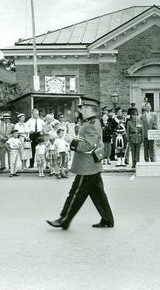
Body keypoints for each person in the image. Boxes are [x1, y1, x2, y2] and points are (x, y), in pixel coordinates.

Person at [47, 97, 114, 230]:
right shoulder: (91, 122)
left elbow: (87, 146)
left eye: (82, 108)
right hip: (92, 166)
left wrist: (66, 139)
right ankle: (107, 219)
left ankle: (64, 220)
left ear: (89, 109)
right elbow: (86, 141)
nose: (80, 110)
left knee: (75, 194)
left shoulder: (91, 125)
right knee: (98, 194)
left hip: (87, 167)